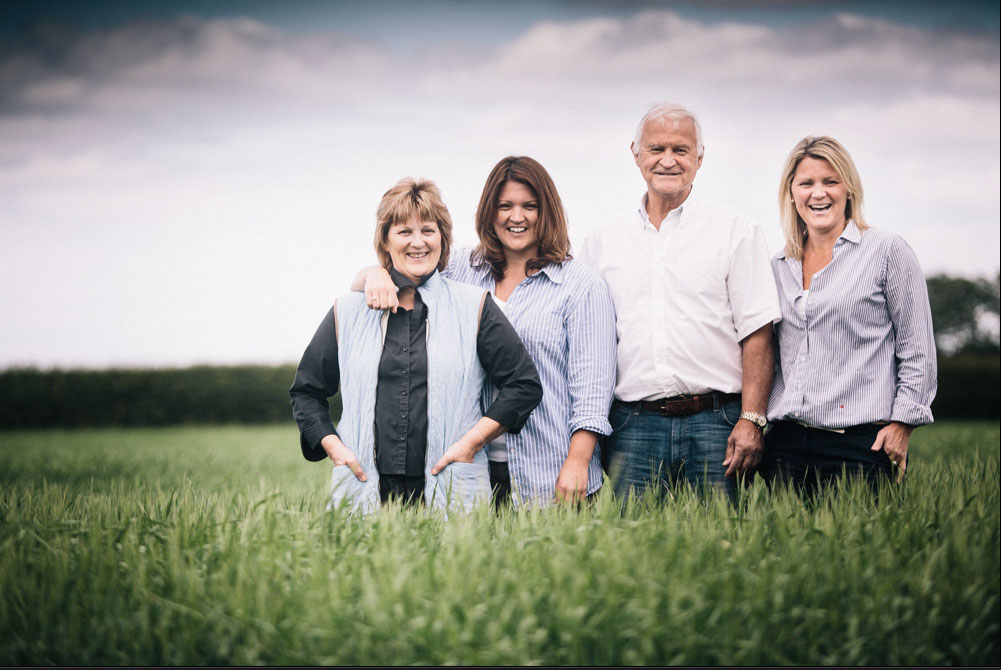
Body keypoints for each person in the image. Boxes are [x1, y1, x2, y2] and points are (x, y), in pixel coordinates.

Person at [357, 157, 617, 507]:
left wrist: (578, 462)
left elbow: (592, 391)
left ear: (548, 211)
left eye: (530, 206)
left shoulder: (581, 286)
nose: (516, 217)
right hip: (470, 474)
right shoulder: (462, 270)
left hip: (548, 471)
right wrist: (375, 272)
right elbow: (407, 263)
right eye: (505, 206)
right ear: (489, 211)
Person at [290, 178, 542, 513]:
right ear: (385, 239)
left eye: (428, 230)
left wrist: (471, 444)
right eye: (404, 232)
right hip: (364, 491)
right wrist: (336, 449)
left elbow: (523, 385)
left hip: (452, 489)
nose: (418, 242)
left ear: (443, 239)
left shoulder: (474, 306)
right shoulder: (347, 311)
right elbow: (307, 392)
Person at [577, 102, 781, 503]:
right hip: (631, 425)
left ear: (699, 158)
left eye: (681, 150)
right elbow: (587, 340)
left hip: (717, 422)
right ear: (635, 154)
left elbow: (758, 332)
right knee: (630, 549)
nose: (668, 160)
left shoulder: (736, 231)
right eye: (656, 149)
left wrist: (752, 419)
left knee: (716, 549)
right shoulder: (603, 239)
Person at [760, 136, 937, 494]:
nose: (818, 193)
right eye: (806, 183)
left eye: (830, 181)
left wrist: (903, 424)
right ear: (791, 193)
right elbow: (768, 355)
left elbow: (917, 347)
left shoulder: (887, 251)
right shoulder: (778, 267)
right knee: (785, 549)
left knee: (859, 549)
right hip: (786, 446)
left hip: (860, 446)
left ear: (849, 189)